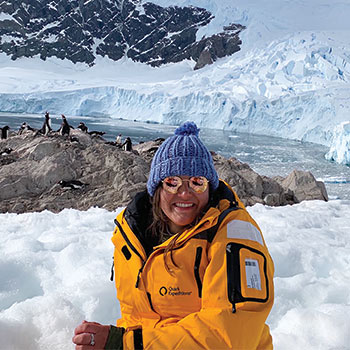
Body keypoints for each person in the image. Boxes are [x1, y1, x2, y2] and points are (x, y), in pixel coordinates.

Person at [73, 121, 275, 350]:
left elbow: (227, 336)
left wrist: (123, 344)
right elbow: (139, 319)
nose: (185, 192)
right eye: (173, 182)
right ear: (158, 188)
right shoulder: (133, 233)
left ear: (210, 188)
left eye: (197, 182)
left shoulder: (233, 236)